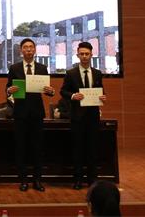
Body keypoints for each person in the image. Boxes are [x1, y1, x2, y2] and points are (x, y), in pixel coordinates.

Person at [5, 37, 55, 192]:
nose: (28, 49)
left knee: (37, 148)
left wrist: (51, 91)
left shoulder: (42, 68)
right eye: (25, 47)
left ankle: (37, 180)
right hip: (20, 113)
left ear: (34, 49)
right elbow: (8, 89)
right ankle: (23, 180)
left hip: (37, 113)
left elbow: (47, 90)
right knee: (21, 147)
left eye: (31, 47)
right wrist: (9, 90)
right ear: (21, 50)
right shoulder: (14, 68)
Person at [60, 41, 106, 190]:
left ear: (92, 55)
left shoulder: (97, 73)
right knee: (78, 149)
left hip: (93, 117)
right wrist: (73, 96)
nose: (84, 56)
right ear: (77, 55)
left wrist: (103, 97)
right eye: (82, 54)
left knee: (93, 149)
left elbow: (101, 91)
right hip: (77, 117)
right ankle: (78, 180)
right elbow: (63, 91)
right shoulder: (71, 73)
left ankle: (92, 180)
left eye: (87, 54)